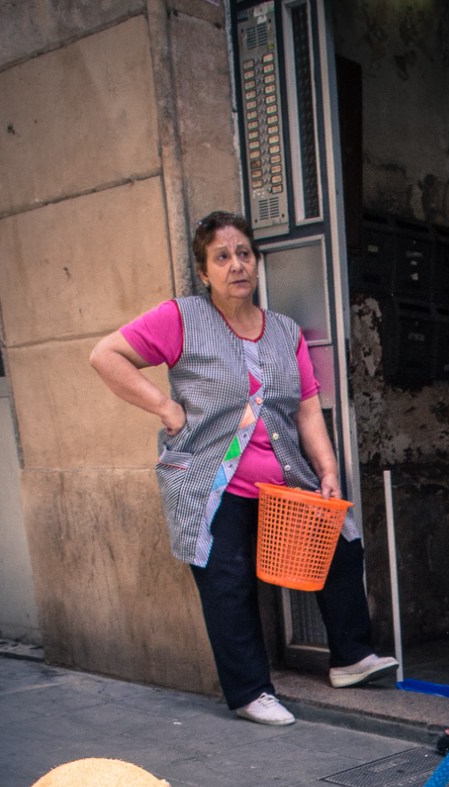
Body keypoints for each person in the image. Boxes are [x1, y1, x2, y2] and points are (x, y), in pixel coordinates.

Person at [89, 211, 397, 726]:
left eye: (244, 254)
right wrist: (166, 409)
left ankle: (350, 658)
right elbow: (106, 355)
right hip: (209, 482)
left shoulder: (284, 331)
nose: (236, 265)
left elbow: (306, 409)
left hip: (281, 479)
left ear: (256, 262)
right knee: (227, 581)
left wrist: (327, 471)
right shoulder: (181, 317)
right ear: (204, 271)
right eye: (222, 257)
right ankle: (250, 691)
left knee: (340, 543)